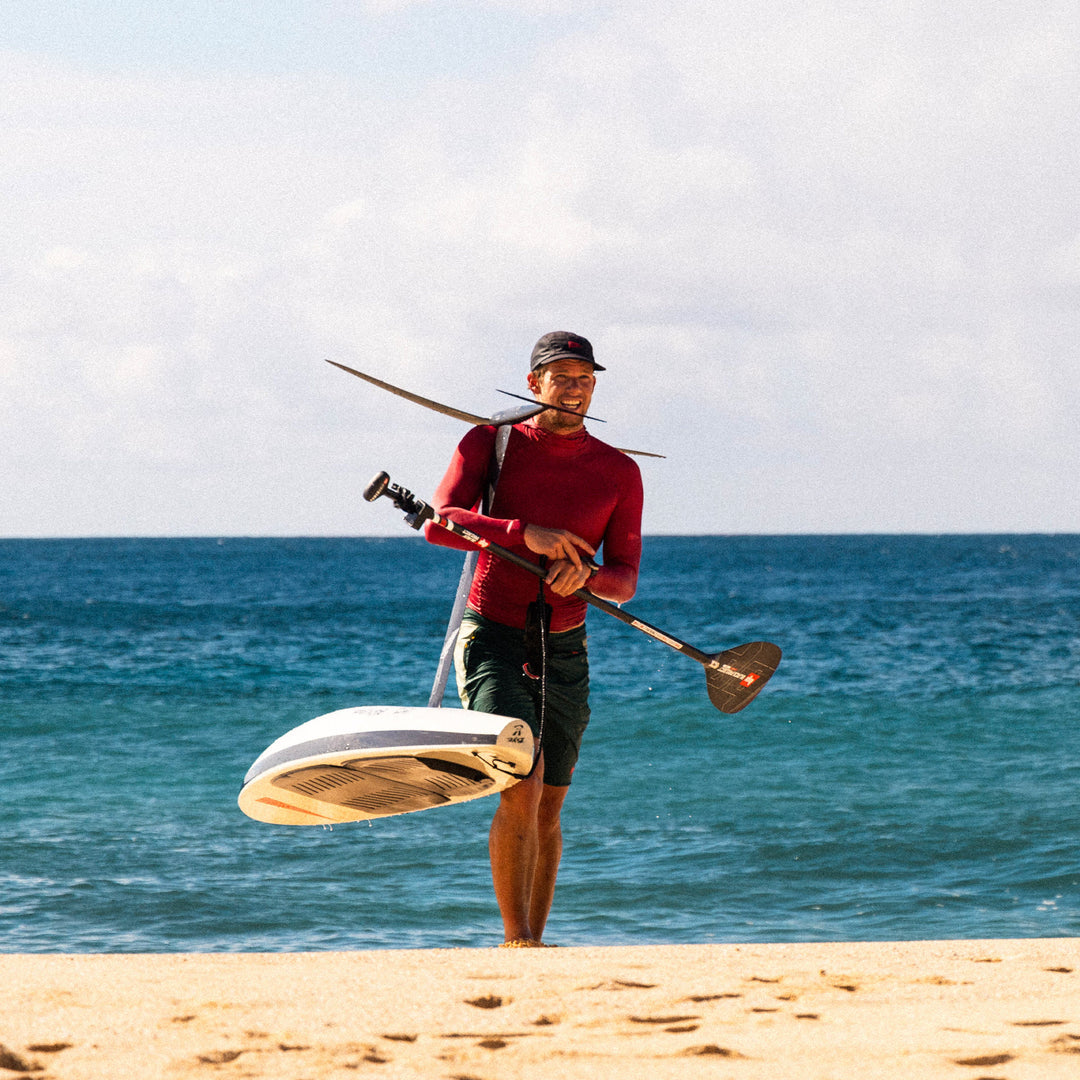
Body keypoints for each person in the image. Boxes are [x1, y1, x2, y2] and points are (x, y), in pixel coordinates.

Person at [424, 331, 643, 947]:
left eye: (585, 378)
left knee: (549, 802)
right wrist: (527, 534)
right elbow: (441, 522)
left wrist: (590, 576)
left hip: (566, 646)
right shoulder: (490, 442)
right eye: (561, 376)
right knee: (522, 777)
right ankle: (514, 937)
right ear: (533, 383)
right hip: (494, 635)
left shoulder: (619, 471)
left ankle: (535, 944)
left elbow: (625, 579)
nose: (574, 388)